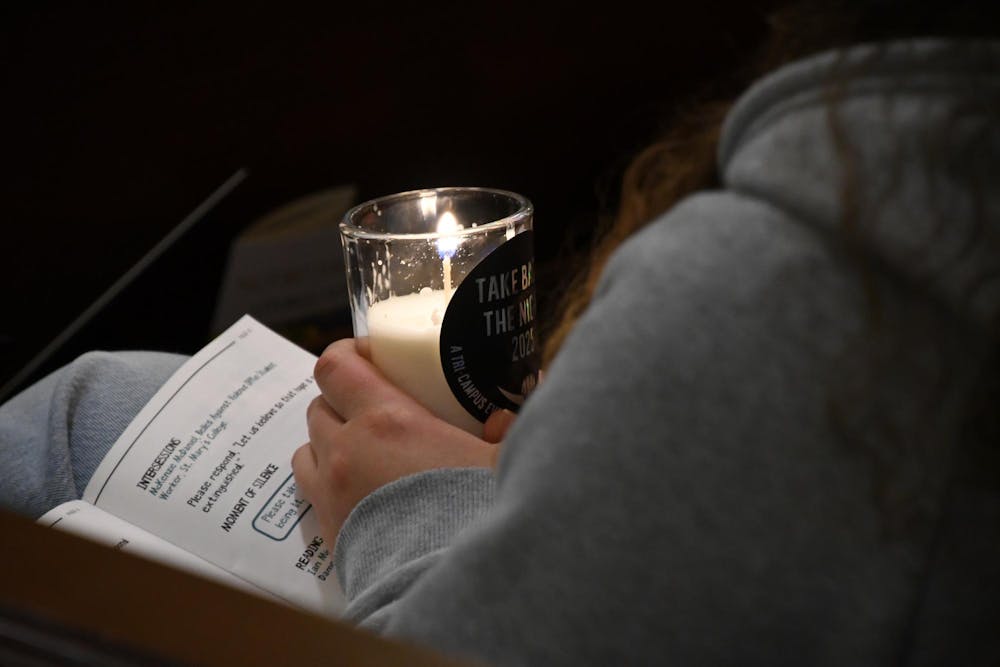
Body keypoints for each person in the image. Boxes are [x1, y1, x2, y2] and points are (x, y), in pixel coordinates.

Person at [2, 0, 999, 664]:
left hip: (414, 565)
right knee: (96, 405)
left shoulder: (798, 299)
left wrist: (422, 499)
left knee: (62, 452)